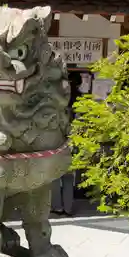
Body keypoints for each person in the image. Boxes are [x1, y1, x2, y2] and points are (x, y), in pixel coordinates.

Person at [51, 71, 82, 217]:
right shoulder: (81, 100)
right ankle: (68, 208)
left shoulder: (56, 101)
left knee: (55, 176)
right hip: (72, 142)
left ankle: (57, 206)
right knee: (69, 176)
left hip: (56, 142)